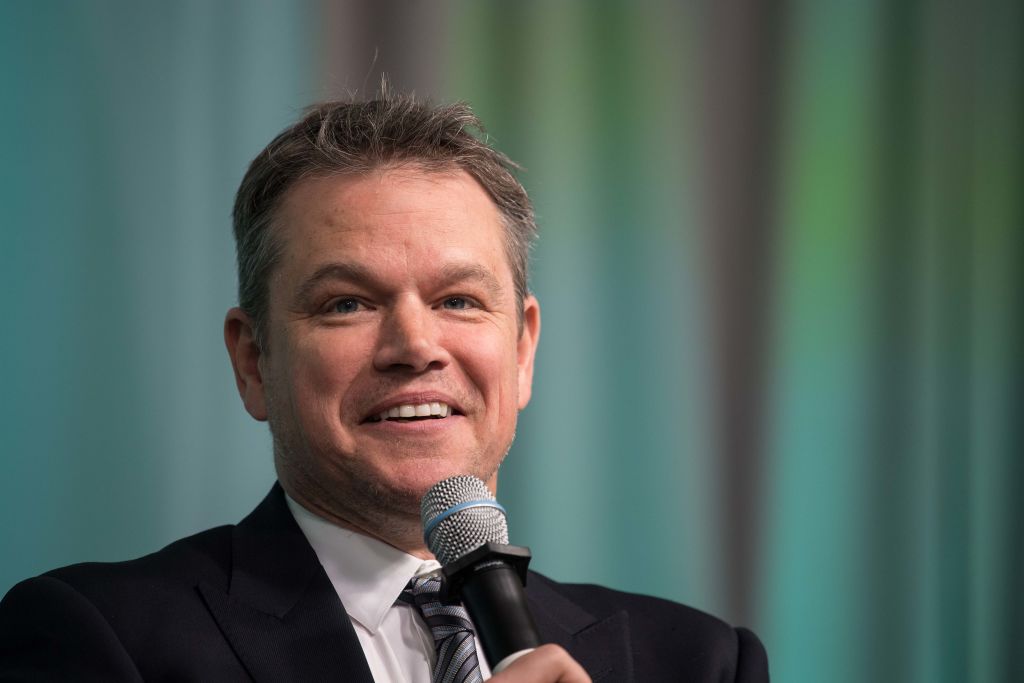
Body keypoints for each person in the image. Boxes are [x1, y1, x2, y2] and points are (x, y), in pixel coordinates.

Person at [0, 92, 769, 682]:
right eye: (348, 303)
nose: (415, 346)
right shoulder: (97, 636)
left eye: (459, 300)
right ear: (252, 360)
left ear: (524, 349)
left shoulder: (699, 661)